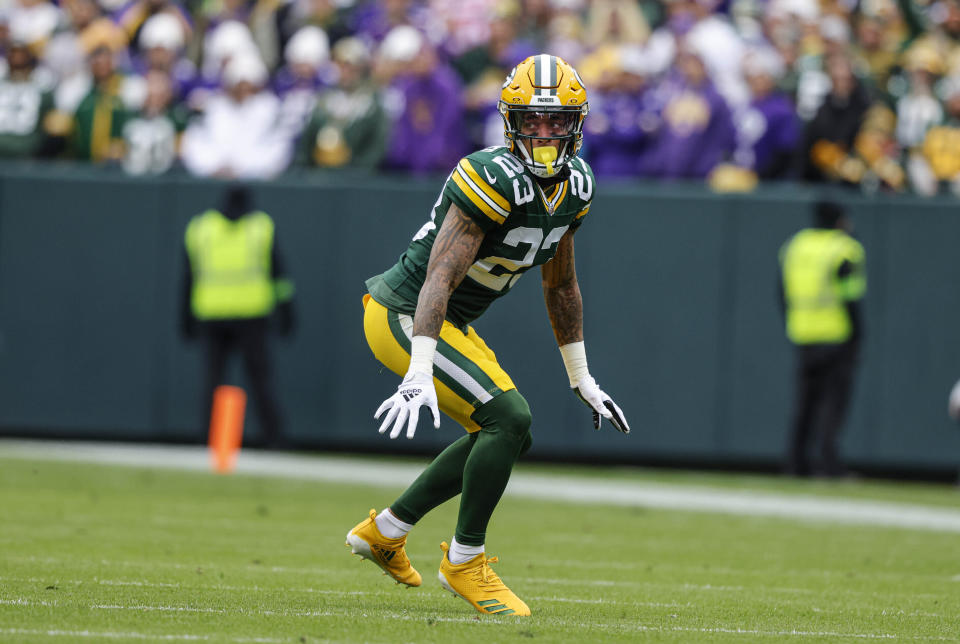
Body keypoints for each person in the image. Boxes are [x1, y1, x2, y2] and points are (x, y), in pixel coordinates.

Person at [345, 54, 629, 618]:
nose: (544, 133)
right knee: (510, 418)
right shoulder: (489, 174)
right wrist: (419, 368)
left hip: (447, 320)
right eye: (532, 120)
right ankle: (465, 561)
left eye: (556, 120)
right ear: (510, 121)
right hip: (405, 312)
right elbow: (439, 276)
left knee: (508, 433)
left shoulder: (577, 185)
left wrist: (582, 375)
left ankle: (386, 531)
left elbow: (561, 284)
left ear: (577, 122)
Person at [181, 185, 295, 449]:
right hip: (252, 313)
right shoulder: (261, 227)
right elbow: (279, 275)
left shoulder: (201, 228)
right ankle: (274, 439)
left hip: (211, 312)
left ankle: (208, 440)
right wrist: (287, 312)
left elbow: (188, 277)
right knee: (260, 380)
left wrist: (185, 318)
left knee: (213, 380)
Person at [778, 200, 866, 478]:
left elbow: (781, 292)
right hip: (837, 334)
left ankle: (795, 464)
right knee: (833, 404)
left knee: (804, 403)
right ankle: (830, 465)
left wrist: (793, 323)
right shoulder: (844, 249)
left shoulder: (795, 246)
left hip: (803, 334)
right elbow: (850, 297)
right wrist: (858, 335)